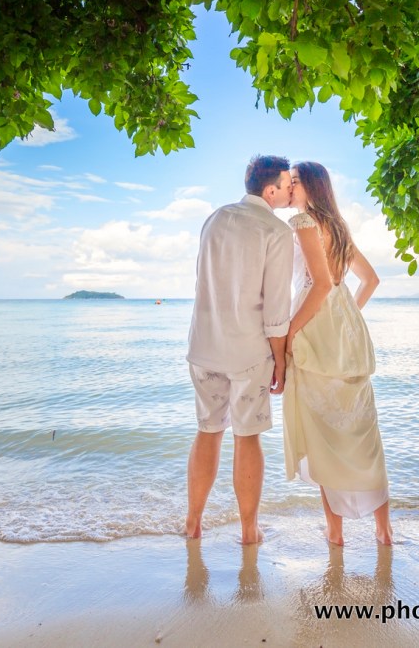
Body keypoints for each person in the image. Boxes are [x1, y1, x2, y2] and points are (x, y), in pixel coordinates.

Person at [185, 155, 295, 544]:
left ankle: (193, 522)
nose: (290, 190)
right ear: (271, 190)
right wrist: (280, 358)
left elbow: (203, 278)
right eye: (286, 184)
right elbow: (277, 309)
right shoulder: (276, 232)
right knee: (246, 437)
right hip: (247, 351)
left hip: (204, 344)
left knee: (207, 431)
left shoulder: (214, 218)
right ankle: (249, 530)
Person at [282, 161, 392, 545]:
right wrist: (346, 318)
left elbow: (321, 285)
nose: (288, 187)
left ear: (311, 187)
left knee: (322, 434)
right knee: (361, 433)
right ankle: (384, 530)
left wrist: (291, 331)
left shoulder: (303, 224)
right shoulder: (339, 226)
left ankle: (335, 532)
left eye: (294, 181)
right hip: (345, 332)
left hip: (315, 330)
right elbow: (370, 279)